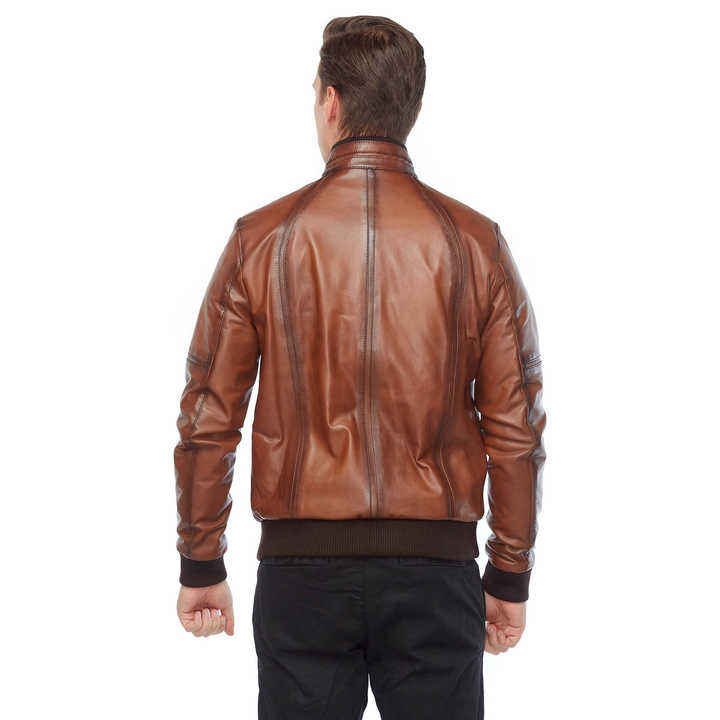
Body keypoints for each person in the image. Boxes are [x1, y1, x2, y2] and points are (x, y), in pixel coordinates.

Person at [174, 15, 546, 719]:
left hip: (301, 578)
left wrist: (202, 561)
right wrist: (508, 573)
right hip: (437, 574)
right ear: (409, 109)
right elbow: (516, 427)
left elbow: (210, 415)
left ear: (332, 103)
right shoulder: (476, 244)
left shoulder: (262, 239)